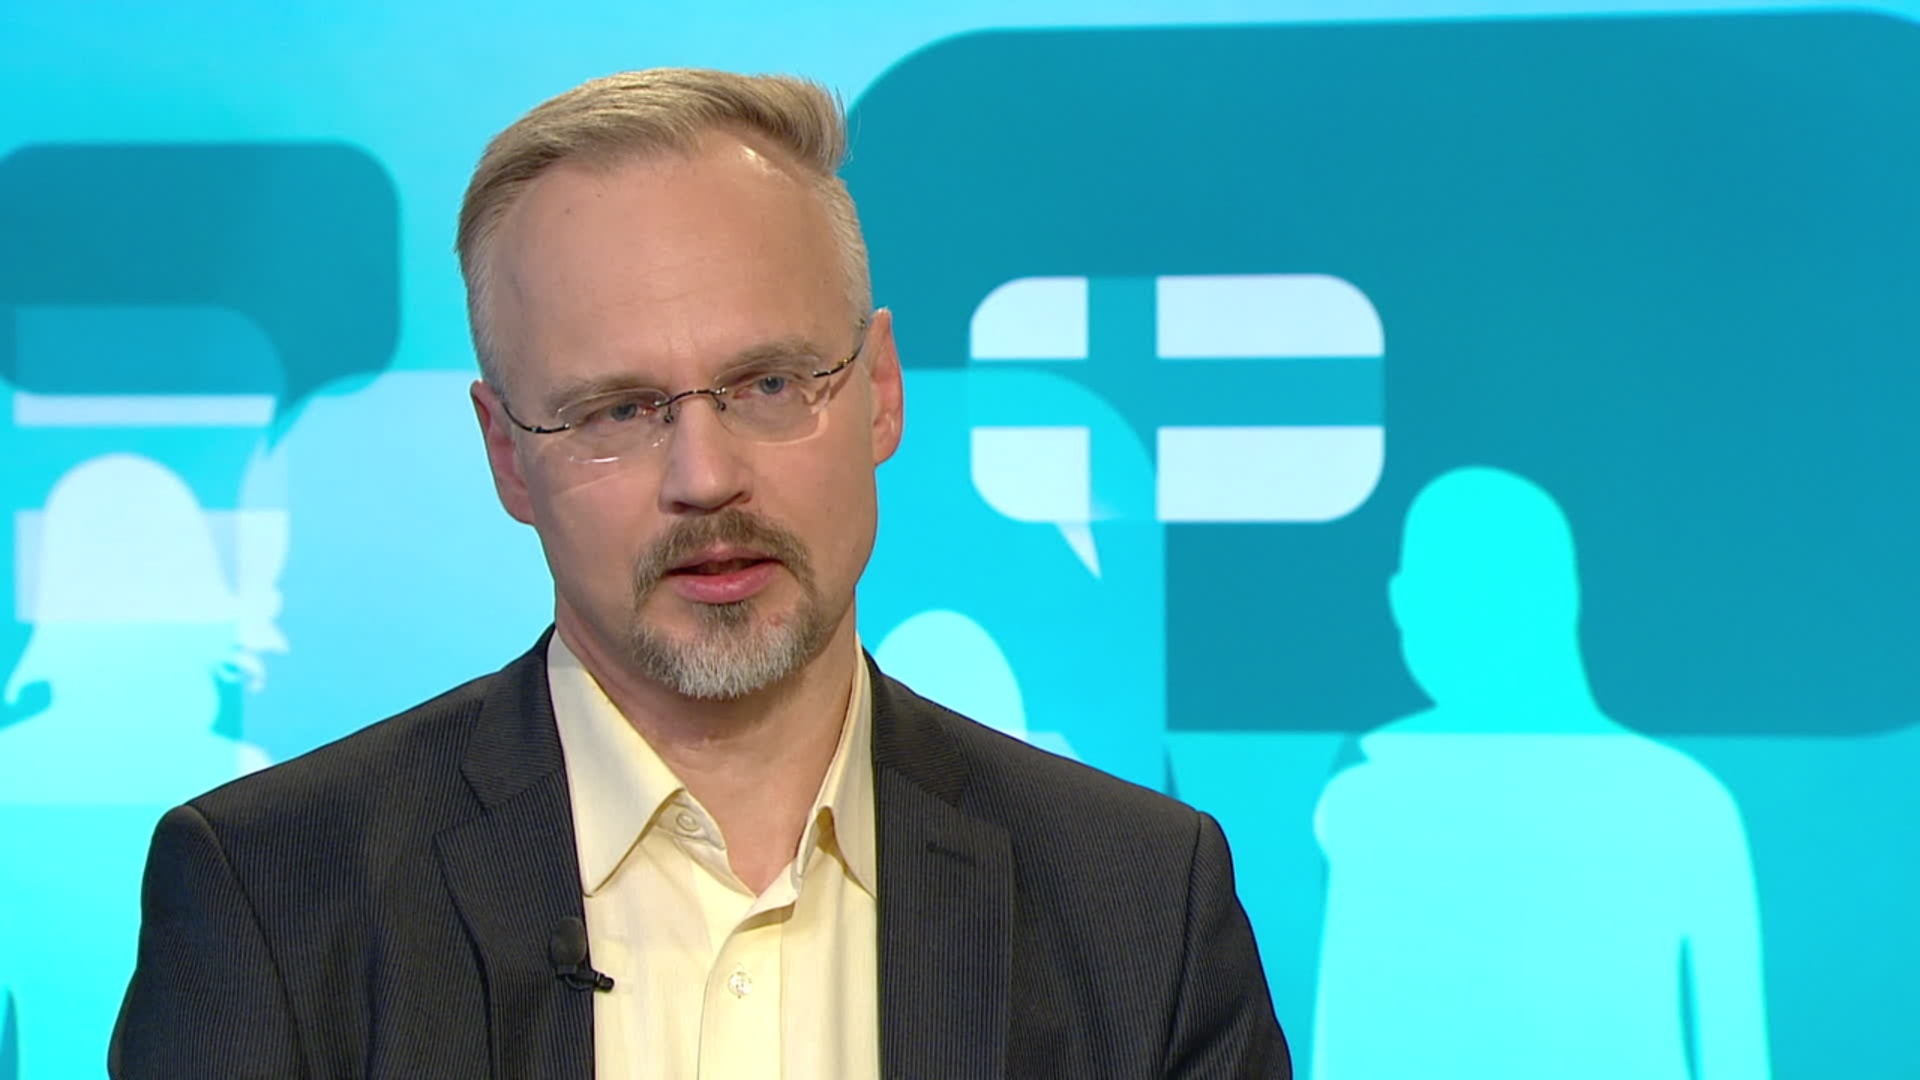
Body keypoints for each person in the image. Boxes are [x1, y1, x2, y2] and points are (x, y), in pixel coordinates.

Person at [108, 68, 1287, 1077]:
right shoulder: (274, 899)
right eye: (617, 410)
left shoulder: (1142, 909)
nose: (706, 477)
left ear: (879, 390)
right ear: (506, 456)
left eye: (769, 384)